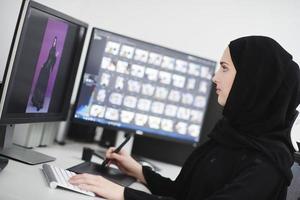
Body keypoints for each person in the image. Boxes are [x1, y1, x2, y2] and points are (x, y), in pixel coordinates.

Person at [69, 36, 300, 200]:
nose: (214, 77)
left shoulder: (268, 166)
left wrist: (123, 194)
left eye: (224, 68)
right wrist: (138, 171)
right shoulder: (229, 135)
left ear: (252, 81)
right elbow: (184, 193)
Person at [31, 36, 58, 111]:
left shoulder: (55, 51)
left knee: (43, 86)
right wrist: (43, 64)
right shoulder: (51, 49)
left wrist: (56, 57)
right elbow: (48, 58)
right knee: (39, 84)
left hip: (47, 70)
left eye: (55, 42)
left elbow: (53, 61)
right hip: (44, 68)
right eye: (54, 41)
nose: (54, 42)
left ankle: (39, 103)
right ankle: (35, 101)